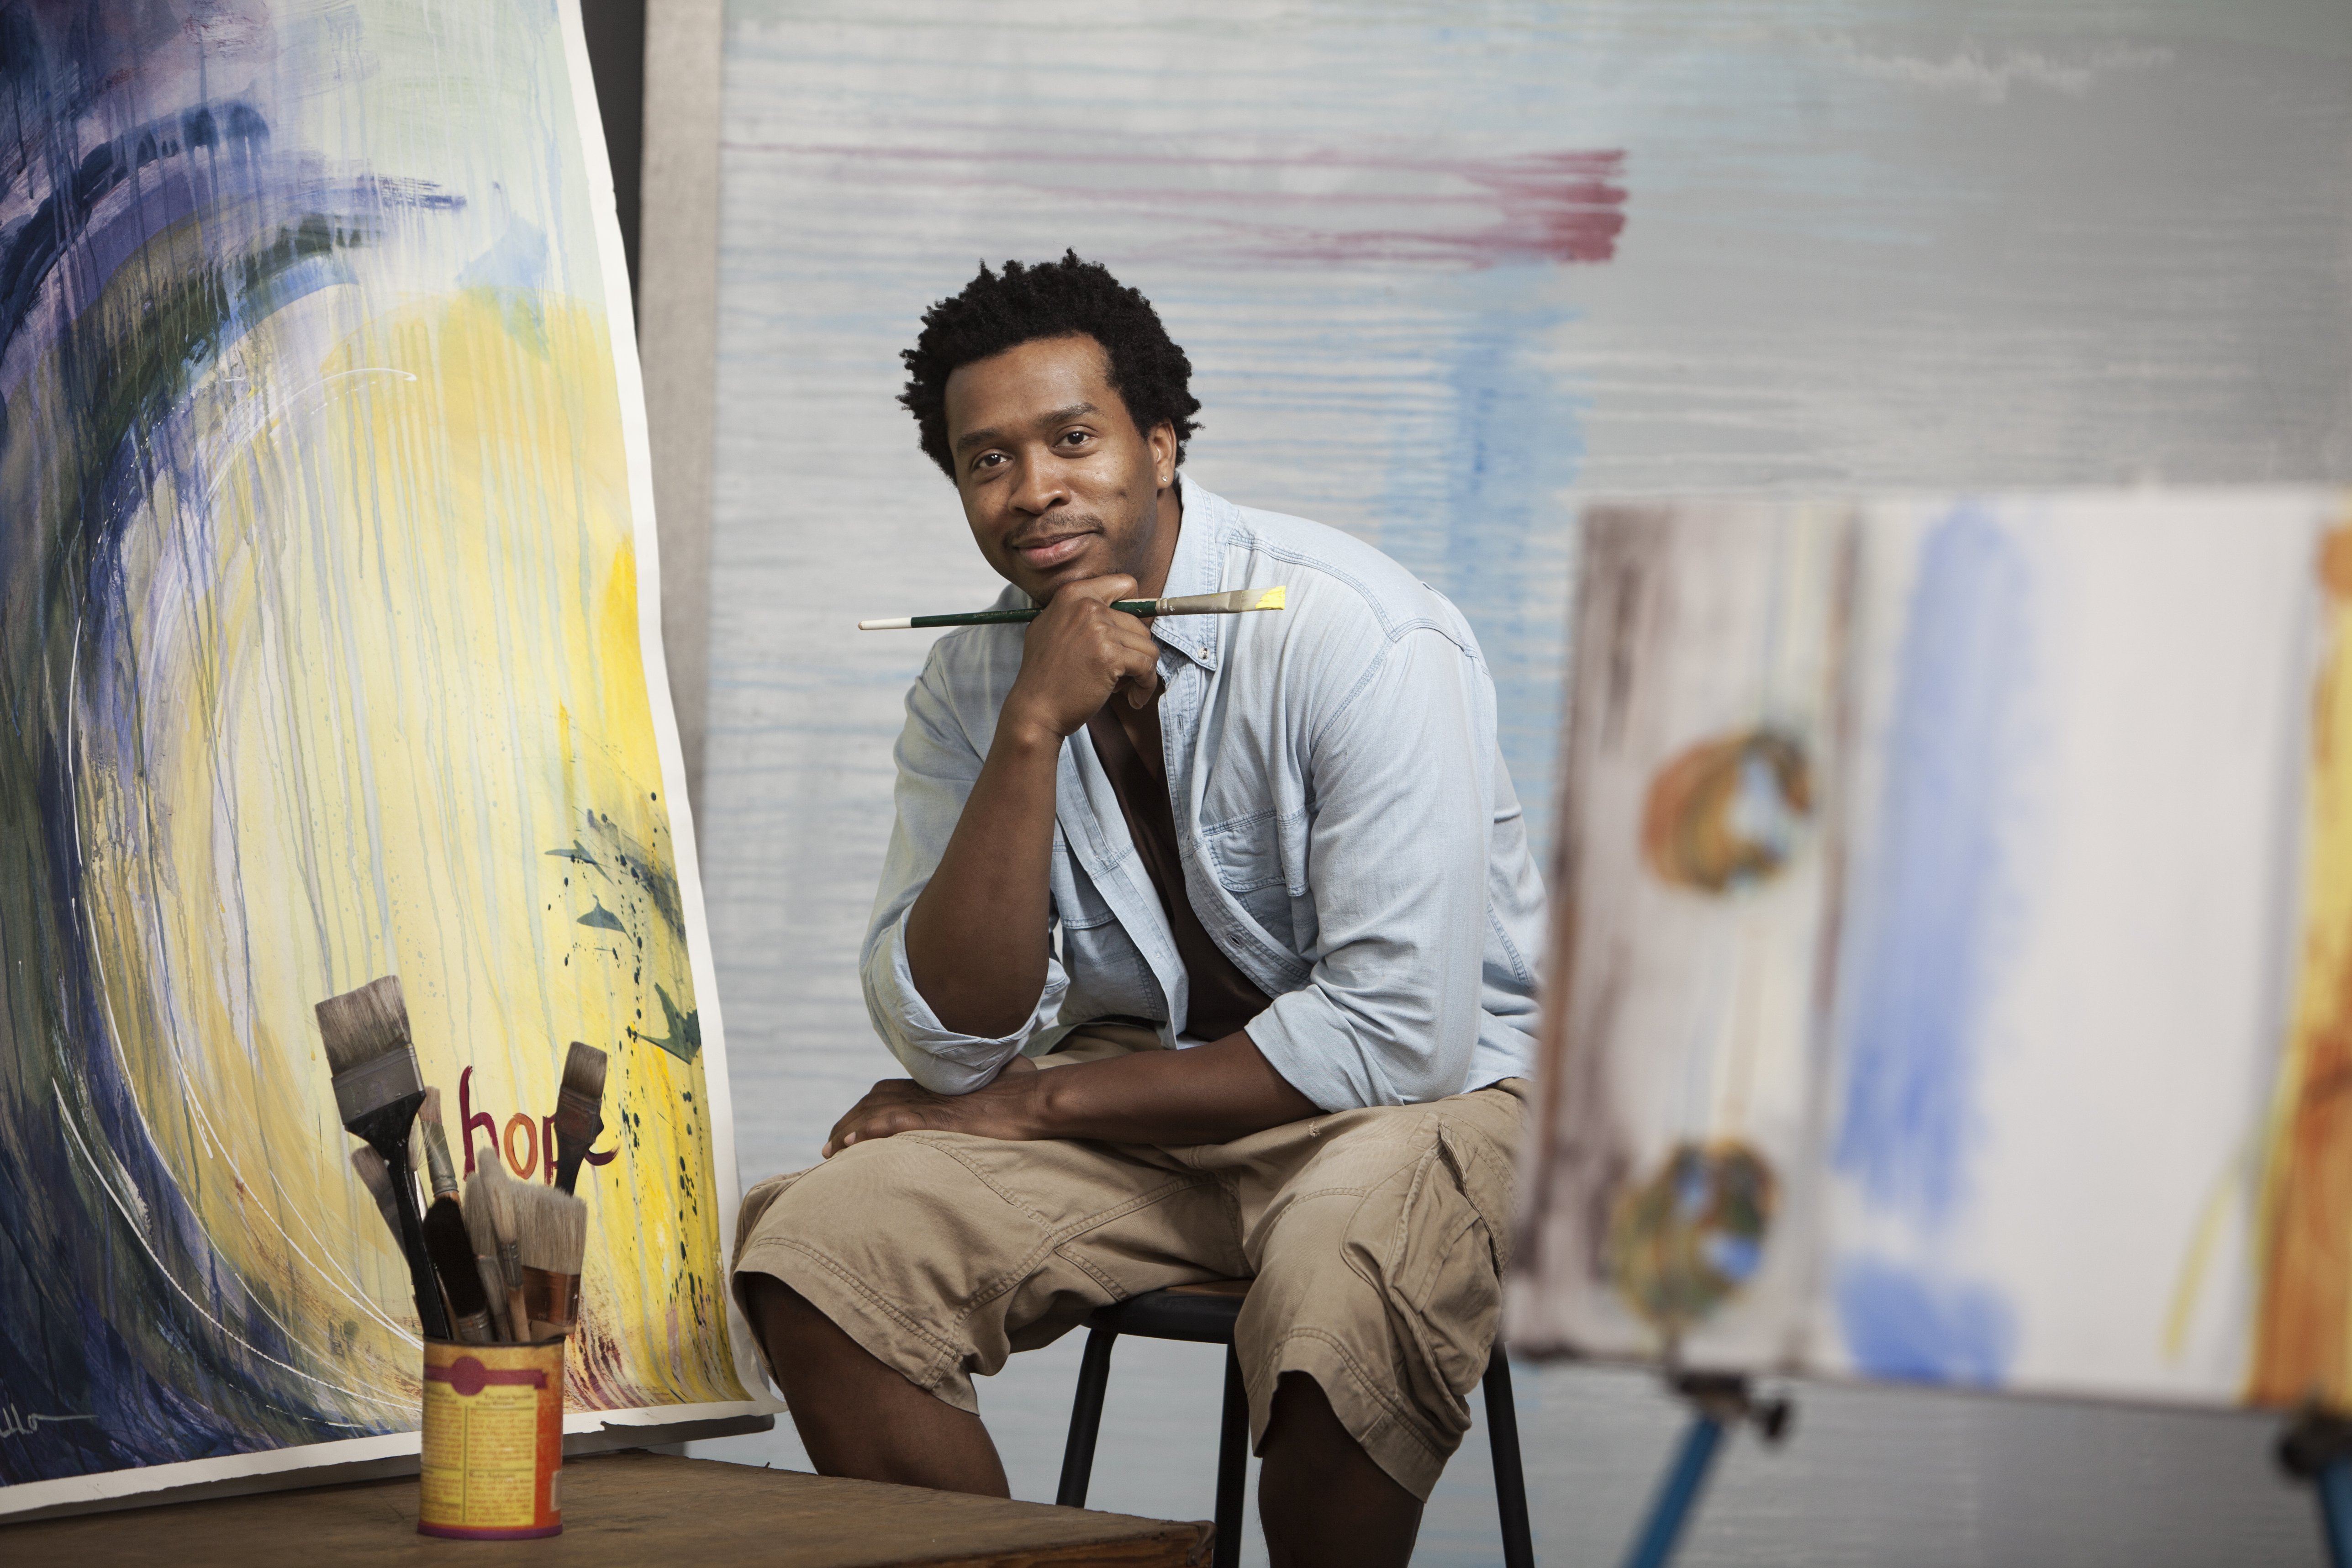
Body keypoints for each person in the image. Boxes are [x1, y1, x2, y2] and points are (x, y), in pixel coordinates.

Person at [731, 252, 1546, 1568]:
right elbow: (948, 1043)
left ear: (1161, 444)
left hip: (1433, 1104)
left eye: (1073, 439)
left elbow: (1398, 1035)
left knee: (1343, 1272)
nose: (1033, 488)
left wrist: (1026, 1104)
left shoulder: (1359, 633)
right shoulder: (972, 684)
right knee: (818, 1251)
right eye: (986, 460)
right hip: (1151, 1116)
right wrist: (1031, 729)